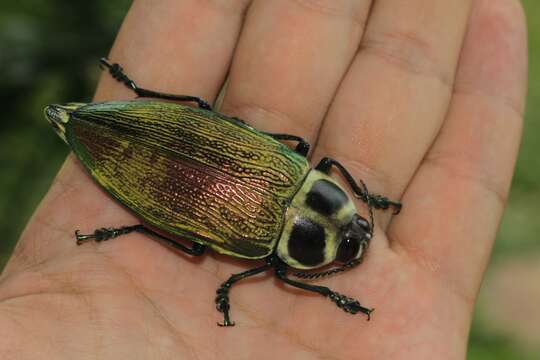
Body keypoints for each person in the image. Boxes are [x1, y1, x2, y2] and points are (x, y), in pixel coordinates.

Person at [0, 0, 527, 358]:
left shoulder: (299, 166)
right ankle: (127, 182)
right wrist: (236, 282)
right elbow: (281, 273)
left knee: (202, 141)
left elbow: (307, 198)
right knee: (193, 242)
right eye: (358, 216)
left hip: (149, 155)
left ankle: (129, 107)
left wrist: (363, 198)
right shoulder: (265, 241)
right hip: (140, 152)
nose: (358, 230)